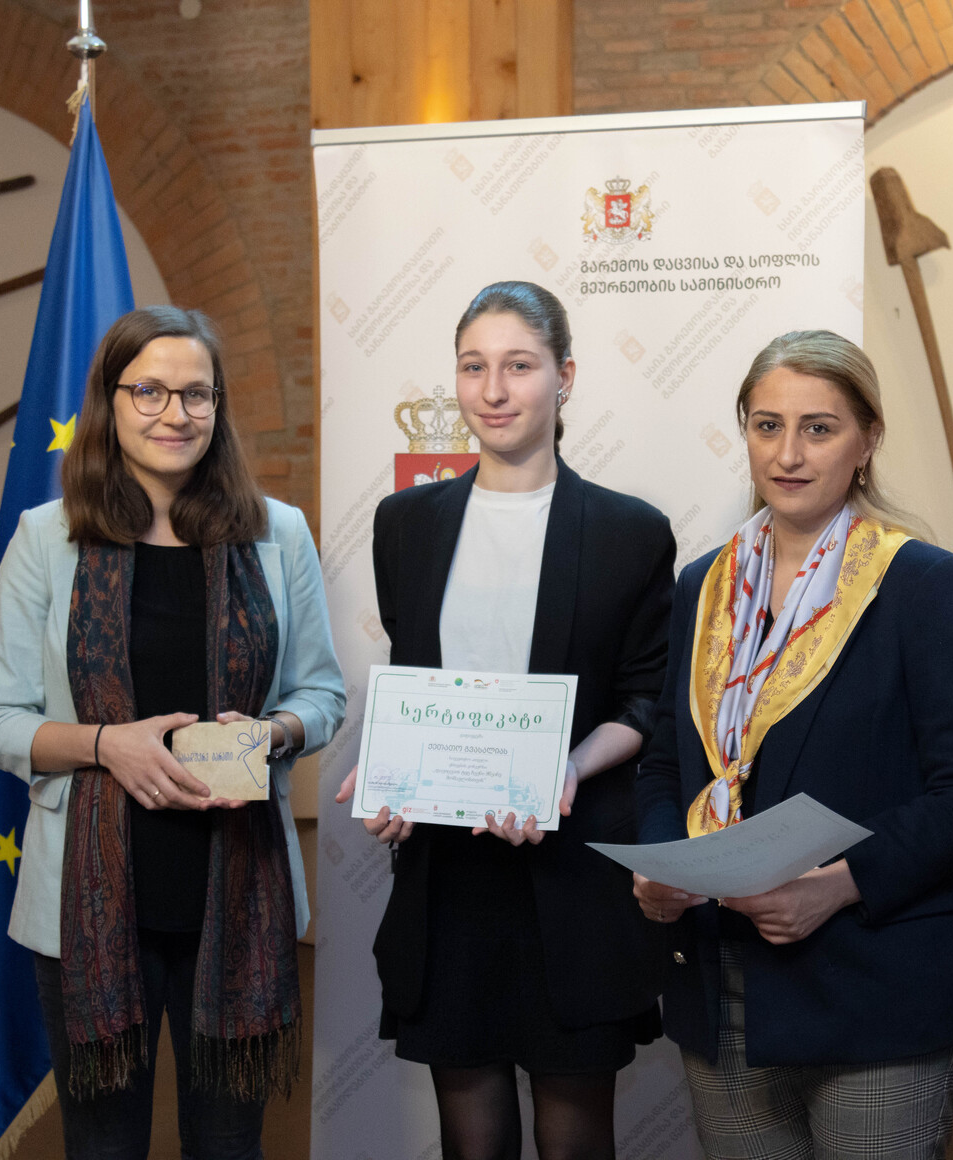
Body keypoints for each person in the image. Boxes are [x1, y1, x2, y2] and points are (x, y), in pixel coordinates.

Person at [0, 306, 346, 1160]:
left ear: (218, 407)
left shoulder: (277, 533)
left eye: (196, 394)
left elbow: (322, 693)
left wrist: (277, 731)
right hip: (90, 905)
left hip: (238, 891)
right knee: (103, 1148)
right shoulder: (46, 538)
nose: (176, 413)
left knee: (228, 1146)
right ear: (110, 400)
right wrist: (108, 745)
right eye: (150, 391)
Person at [633, 330, 953, 1160]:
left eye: (819, 429)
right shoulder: (703, 585)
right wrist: (661, 864)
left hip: (870, 985)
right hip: (721, 983)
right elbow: (666, 760)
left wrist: (840, 885)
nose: (788, 454)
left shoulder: (922, 583)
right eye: (767, 426)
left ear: (867, 440)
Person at [339, 281, 676, 1160]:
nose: (493, 390)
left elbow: (647, 701)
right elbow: (418, 681)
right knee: (471, 1144)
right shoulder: (405, 524)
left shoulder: (631, 532)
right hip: (449, 881)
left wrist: (568, 767)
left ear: (566, 377)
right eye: (473, 366)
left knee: (575, 1142)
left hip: (573, 878)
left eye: (519, 366)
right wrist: (394, 773)